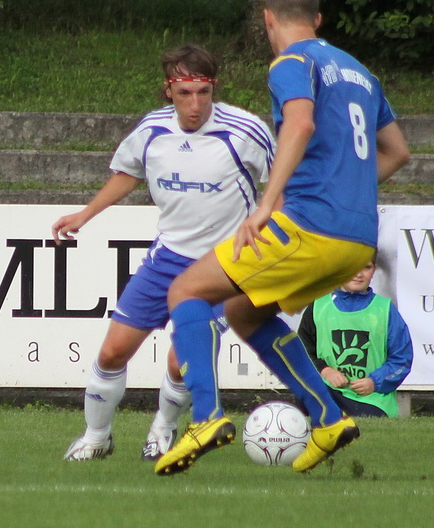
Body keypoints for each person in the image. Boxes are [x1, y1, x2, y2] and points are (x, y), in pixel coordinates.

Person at [154, 0, 410, 476]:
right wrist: (348, 194)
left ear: (267, 18)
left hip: (311, 226)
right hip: (357, 239)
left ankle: (205, 418)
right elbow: (397, 151)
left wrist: (267, 203)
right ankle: (328, 418)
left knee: (185, 291)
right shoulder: (361, 73)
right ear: (318, 19)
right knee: (244, 312)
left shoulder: (292, 62)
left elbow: (300, 122)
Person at [52, 44, 275, 461]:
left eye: (204, 92)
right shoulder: (152, 130)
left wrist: (268, 225)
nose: (195, 104)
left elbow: (281, 182)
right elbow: (128, 173)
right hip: (168, 258)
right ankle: (97, 438)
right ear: (168, 90)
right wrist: (86, 214)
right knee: (113, 352)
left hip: (225, 267)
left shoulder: (245, 130)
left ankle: (163, 428)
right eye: (185, 93)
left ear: (214, 88)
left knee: (180, 360)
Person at [297, 254, 413, 418]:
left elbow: (402, 359)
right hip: (328, 392)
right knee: (305, 397)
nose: (359, 274)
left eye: (366, 267)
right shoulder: (318, 307)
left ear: (374, 270)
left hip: (371, 399)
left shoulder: (385, 310)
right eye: (353, 266)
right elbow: (300, 351)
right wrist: (324, 370)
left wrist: (374, 382)